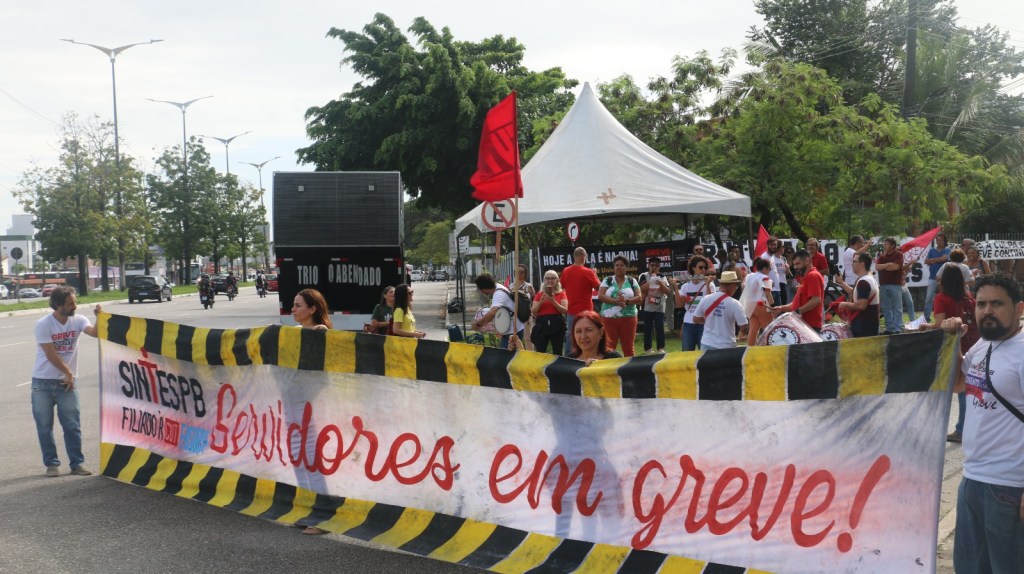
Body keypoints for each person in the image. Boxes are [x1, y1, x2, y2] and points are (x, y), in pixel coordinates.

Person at [940, 273, 1024, 573]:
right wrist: (951, 342)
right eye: (982, 303)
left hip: (1010, 488)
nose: (987, 310)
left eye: (997, 304)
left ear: (1019, 309)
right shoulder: (981, 347)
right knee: (971, 567)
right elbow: (959, 384)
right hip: (972, 480)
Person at [32, 287, 101, 477]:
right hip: (42, 383)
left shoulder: (78, 320)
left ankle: (77, 464)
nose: (75, 306)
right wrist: (68, 371)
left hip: (66, 383)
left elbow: (95, 333)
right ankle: (52, 464)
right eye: (70, 303)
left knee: (72, 425)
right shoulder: (43, 324)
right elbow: (50, 353)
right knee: (44, 426)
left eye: (74, 302)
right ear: (59, 305)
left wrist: (99, 317)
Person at [919, 264, 979, 443]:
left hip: (954, 347)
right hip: (974, 344)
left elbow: (939, 324)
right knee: (970, 390)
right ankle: (966, 426)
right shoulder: (969, 298)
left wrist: (923, 326)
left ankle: (961, 428)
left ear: (943, 280)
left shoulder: (941, 298)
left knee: (956, 387)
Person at [597, 255, 641, 357]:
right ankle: (608, 370)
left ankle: (629, 370)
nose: (619, 267)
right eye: (616, 265)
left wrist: (626, 301)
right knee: (608, 347)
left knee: (628, 347)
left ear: (626, 268)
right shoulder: (607, 280)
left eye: (621, 265)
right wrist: (615, 302)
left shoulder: (631, 280)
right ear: (614, 267)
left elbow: (639, 298)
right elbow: (600, 296)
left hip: (629, 318)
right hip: (609, 319)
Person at [771, 249, 824, 332]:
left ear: (807, 260)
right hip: (803, 325)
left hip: (810, 326)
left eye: (798, 264)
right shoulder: (807, 277)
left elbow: (816, 300)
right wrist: (781, 308)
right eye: (794, 264)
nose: (795, 267)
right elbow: (797, 304)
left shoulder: (812, 275)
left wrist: (798, 311)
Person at [561, 247, 601, 355]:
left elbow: (561, 287)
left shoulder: (565, 271)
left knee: (571, 333)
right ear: (584, 257)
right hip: (586, 310)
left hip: (571, 310)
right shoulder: (588, 272)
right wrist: (595, 274)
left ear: (574, 257)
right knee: (587, 333)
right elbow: (599, 288)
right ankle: (587, 354)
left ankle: (568, 357)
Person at [694, 271, 748, 350]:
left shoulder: (706, 299)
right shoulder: (735, 304)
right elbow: (743, 326)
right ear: (732, 285)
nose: (736, 288)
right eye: (736, 285)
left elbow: (696, 319)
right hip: (726, 345)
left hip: (707, 343)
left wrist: (711, 321)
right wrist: (742, 333)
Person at [675, 255, 717, 351]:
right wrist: (676, 288)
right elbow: (679, 305)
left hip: (703, 323)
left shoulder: (709, 284)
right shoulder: (686, 286)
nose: (703, 270)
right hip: (688, 323)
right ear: (693, 268)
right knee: (687, 353)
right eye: (700, 267)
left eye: (705, 268)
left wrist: (707, 285)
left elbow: (711, 304)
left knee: (705, 354)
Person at [836, 251, 880, 338]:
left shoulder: (864, 282)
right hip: (867, 325)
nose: (852, 264)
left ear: (862, 264)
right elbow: (855, 293)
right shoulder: (867, 278)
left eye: (854, 261)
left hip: (864, 326)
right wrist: (841, 282)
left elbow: (861, 305)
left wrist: (845, 304)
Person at [472, 275, 523, 349]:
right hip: (512, 329)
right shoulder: (499, 287)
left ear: (484, 288)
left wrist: (478, 324)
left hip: (513, 331)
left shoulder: (499, 294)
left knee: (506, 357)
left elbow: (492, 313)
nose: (482, 293)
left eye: (481, 290)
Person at [639, 256, 672, 353]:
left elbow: (667, 291)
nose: (654, 267)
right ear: (648, 266)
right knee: (648, 327)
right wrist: (652, 280)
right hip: (647, 305)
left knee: (659, 326)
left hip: (660, 305)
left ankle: (661, 348)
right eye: (652, 265)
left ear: (659, 267)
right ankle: (648, 348)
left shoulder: (662, 276)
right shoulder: (644, 275)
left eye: (656, 266)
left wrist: (661, 284)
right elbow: (641, 289)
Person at [531, 270, 568, 354]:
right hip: (542, 323)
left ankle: (557, 366)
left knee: (557, 350)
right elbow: (533, 311)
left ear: (557, 280)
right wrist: (541, 302)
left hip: (557, 322)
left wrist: (553, 302)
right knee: (540, 350)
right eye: (547, 278)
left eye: (553, 278)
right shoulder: (539, 294)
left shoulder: (561, 294)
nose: (550, 280)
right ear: (544, 280)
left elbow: (564, 310)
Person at [740, 258, 775, 346]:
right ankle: (772, 347)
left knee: (753, 330)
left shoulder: (749, 276)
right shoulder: (765, 278)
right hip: (761, 304)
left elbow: (743, 287)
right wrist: (773, 307)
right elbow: (767, 294)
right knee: (769, 328)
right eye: (769, 269)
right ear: (765, 268)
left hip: (750, 305)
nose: (769, 271)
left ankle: (751, 349)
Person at [875, 237, 905, 335]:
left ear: (892, 246)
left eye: (887, 244)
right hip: (883, 284)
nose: (885, 245)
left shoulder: (899, 255)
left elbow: (895, 267)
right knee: (886, 308)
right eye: (884, 244)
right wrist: (888, 265)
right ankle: (889, 328)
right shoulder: (882, 256)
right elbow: (877, 267)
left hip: (895, 284)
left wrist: (885, 266)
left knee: (897, 307)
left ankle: (898, 327)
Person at [923, 234, 950, 322]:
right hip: (932, 278)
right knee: (928, 298)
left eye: (941, 240)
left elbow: (944, 259)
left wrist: (933, 260)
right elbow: (926, 261)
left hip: (944, 278)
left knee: (944, 298)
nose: (939, 241)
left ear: (944, 241)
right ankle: (926, 317)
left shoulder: (947, 250)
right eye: (937, 240)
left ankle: (945, 316)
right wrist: (937, 259)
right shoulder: (932, 250)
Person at [512, 264, 537, 351]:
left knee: (528, 337)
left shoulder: (529, 286)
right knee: (514, 336)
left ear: (525, 273)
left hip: (526, 315)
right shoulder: (511, 286)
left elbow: (534, 299)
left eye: (522, 272)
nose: (519, 274)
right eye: (517, 272)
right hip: (515, 315)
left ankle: (530, 356)